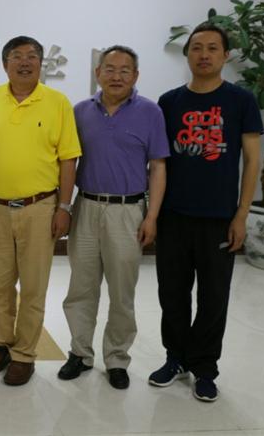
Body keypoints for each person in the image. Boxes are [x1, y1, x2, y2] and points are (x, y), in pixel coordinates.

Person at [149, 22, 262, 402]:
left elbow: (252, 160)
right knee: (172, 294)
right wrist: (153, 215)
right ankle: (175, 358)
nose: (204, 54)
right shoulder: (169, 102)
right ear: (187, 55)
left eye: (213, 48)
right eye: (197, 47)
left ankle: (205, 368)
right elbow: (159, 162)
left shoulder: (241, 100)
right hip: (174, 216)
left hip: (219, 218)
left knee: (214, 298)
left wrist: (241, 215)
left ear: (225, 56)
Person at [0, 35, 81, 386]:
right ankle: (2, 343)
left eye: (32, 56)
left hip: (39, 209)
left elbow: (68, 159)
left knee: (33, 286)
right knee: (0, 285)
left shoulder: (57, 102)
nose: (24, 62)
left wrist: (64, 207)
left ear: (41, 64)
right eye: (16, 56)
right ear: (5, 64)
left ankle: (24, 354)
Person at [58, 45, 168, 389]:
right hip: (86, 207)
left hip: (127, 212)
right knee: (81, 287)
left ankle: (117, 359)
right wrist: (64, 207)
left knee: (122, 292)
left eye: (124, 70)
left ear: (135, 75)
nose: (116, 76)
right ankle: (80, 353)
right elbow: (68, 162)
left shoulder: (150, 112)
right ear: (98, 73)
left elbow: (158, 167)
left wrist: (151, 217)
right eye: (109, 69)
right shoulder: (80, 111)